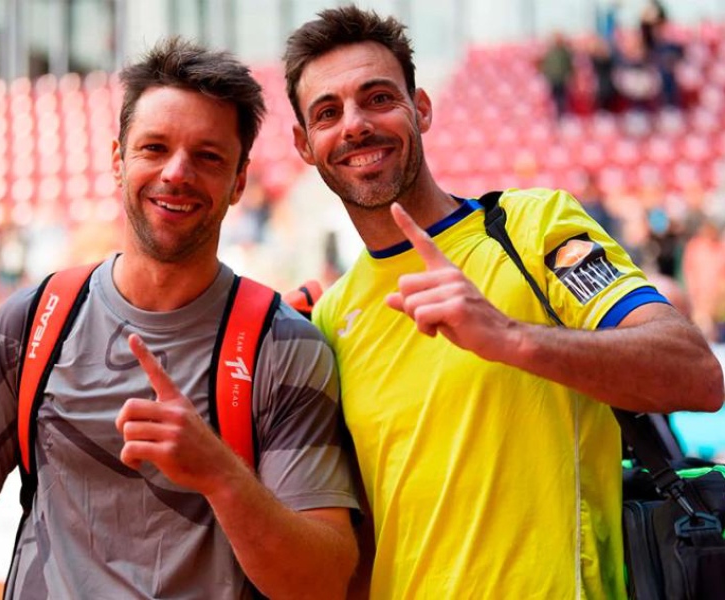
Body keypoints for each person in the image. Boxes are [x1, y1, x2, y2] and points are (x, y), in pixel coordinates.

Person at [282, 6, 724, 599]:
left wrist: (510, 337)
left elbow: (695, 374)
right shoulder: (334, 316)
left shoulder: (531, 227)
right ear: (304, 144)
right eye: (328, 113)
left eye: (379, 97)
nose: (355, 125)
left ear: (423, 109)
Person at [0, 37, 359, 600]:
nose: (176, 173)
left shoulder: (285, 347)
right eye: (155, 147)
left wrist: (220, 475)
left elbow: (322, 583)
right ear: (117, 159)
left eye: (208, 156)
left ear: (239, 182)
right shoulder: (31, 322)